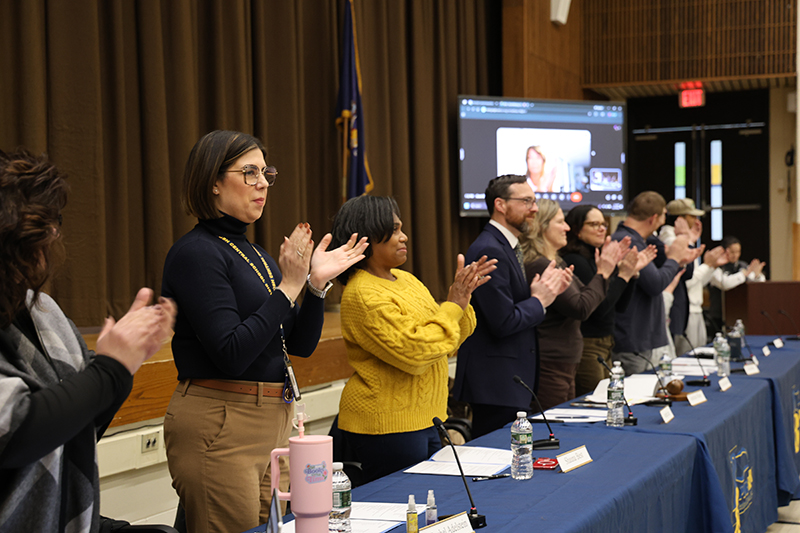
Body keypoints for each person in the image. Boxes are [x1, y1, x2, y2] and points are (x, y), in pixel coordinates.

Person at [160, 130, 368, 533]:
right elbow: (231, 353)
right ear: (213, 181)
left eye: (266, 174)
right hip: (222, 420)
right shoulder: (196, 253)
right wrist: (288, 287)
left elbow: (300, 345)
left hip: (272, 420)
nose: (262, 184)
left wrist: (314, 286)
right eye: (249, 173)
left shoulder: (255, 255)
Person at [0, 148, 176, 532]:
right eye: (44, 225)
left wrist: (124, 364)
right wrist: (111, 369)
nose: (54, 235)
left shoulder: (43, 311)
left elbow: (80, 426)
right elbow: (17, 431)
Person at [328, 196, 496, 483]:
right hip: (388, 425)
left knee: (428, 499)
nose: (404, 236)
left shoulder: (407, 280)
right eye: (394, 230)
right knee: (403, 503)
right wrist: (453, 305)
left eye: (401, 228)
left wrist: (462, 300)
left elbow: (446, 342)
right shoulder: (363, 294)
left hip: (426, 417)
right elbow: (418, 353)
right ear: (368, 237)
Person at [453, 175, 572, 438]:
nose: (534, 209)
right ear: (500, 205)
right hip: (495, 383)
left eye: (534, 201)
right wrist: (539, 300)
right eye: (526, 201)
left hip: (506, 381)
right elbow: (503, 322)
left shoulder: (506, 245)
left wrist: (539, 295)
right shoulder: (489, 248)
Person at [520, 199, 630, 410]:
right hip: (550, 363)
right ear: (542, 226)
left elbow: (587, 296)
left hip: (565, 361)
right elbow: (582, 307)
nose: (567, 228)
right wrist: (603, 272)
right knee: (555, 424)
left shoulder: (556, 262)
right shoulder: (541, 265)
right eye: (560, 222)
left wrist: (613, 272)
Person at [560, 205, 656, 397]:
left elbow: (619, 306)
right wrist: (622, 275)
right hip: (588, 344)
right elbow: (598, 310)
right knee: (597, 401)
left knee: (611, 399)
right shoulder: (575, 261)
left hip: (606, 343)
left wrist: (631, 274)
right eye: (593, 224)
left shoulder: (597, 258)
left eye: (603, 224)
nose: (601, 229)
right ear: (577, 229)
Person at [610, 192, 700, 375]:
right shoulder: (628, 242)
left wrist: (677, 261)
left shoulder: (639, 240)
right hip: (632, 340)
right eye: (663, 216)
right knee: (635, 392)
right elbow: (655, 284)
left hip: (640, 337)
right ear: (653, 218)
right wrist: (674, 259)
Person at [658, 198, 706, 355]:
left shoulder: (676, 236)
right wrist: (688, 240)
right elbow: (687, 272)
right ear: (680, 219)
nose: (695, 220)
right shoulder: (670, 237)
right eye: (691, 216)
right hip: (672, 304)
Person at [708, 236, 766, 333]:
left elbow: (757, 282)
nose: (735, 255)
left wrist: (757, 275)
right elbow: (725, 284)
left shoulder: (742, 266)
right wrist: (744, 274)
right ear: (724, 251)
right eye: (732, 252)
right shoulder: (716, 267)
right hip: (719, 316)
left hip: (741, 313)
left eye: (738, 252)